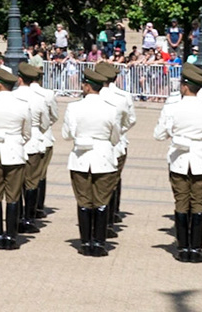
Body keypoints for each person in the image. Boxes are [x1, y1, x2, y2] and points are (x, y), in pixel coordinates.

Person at [154, 63, 202, 262]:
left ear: (184, 86)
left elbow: (158, 135)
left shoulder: (173, 108)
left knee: (181, 202)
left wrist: (174, 133)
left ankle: (183, 248)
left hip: (179, 160)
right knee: (199, 203)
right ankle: (196, 249)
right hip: (201, 159)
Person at [62, 63, 123, 256]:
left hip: (81, 157)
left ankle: (85, 242)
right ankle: (99, 243)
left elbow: (67, 134)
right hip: (104, 157)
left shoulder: (74, 107)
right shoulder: (111, 109)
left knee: (84, 201)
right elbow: (115, 137)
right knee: (102, 201)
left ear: (88, 87)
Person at [0, 65, 34, 249]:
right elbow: (27, 133)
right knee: (13, 196)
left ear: (0, 85)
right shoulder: (23, 105)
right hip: (15, 152)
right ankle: (11, 236)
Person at [14, 60, 56, 231]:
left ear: (19, 79)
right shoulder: (40, 99)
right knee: (31, 182)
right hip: (34, 142)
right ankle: (29, 218)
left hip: (16, 142)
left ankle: (16, 216)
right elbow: (46, 123)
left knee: (15, 182)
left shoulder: (13, 96)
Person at [98, 58, 137, 218]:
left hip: (99, 142)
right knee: (114, 179)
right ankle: (112, 213)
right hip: (118, 142)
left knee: (99, 180)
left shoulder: (94, 94)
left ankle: (103, 218)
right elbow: (131, 120)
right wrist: (120, 130)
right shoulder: (123, 95)